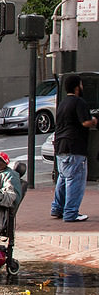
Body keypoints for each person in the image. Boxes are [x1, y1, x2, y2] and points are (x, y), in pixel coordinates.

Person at [50, 73, 97, 223]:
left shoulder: (62, 103)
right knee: (75, 181)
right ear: (77, 87)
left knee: (63, 179)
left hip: (61, 146)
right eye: (81, 85)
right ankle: (71, 213)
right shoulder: (79, 102)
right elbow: (85, 122)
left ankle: (57, 208)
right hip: (75, 147)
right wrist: (94, 120)